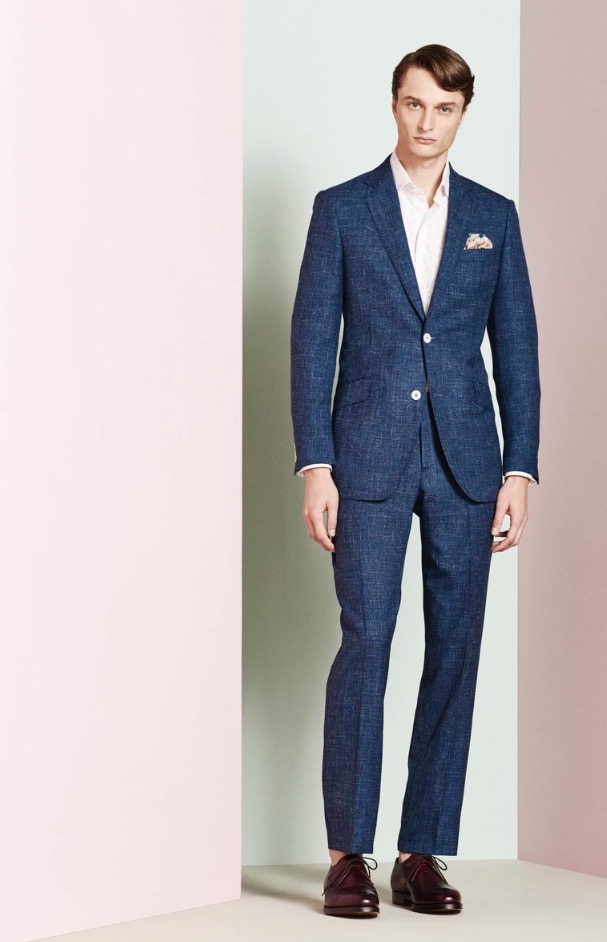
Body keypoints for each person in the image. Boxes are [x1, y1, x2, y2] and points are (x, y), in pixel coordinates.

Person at [290, 44, 540, 918]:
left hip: (468, 461)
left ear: (462, 113)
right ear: (392, 104)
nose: (425, 122)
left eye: (442, 108)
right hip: (365, 457)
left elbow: (517, 349)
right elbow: (311, 342)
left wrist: (518, 468)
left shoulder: (492, 216)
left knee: (456, 647)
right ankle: (346, 855)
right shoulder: (342, 209)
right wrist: (314, 464)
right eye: (412, 103)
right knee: (365, 640)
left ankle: (421, 850)